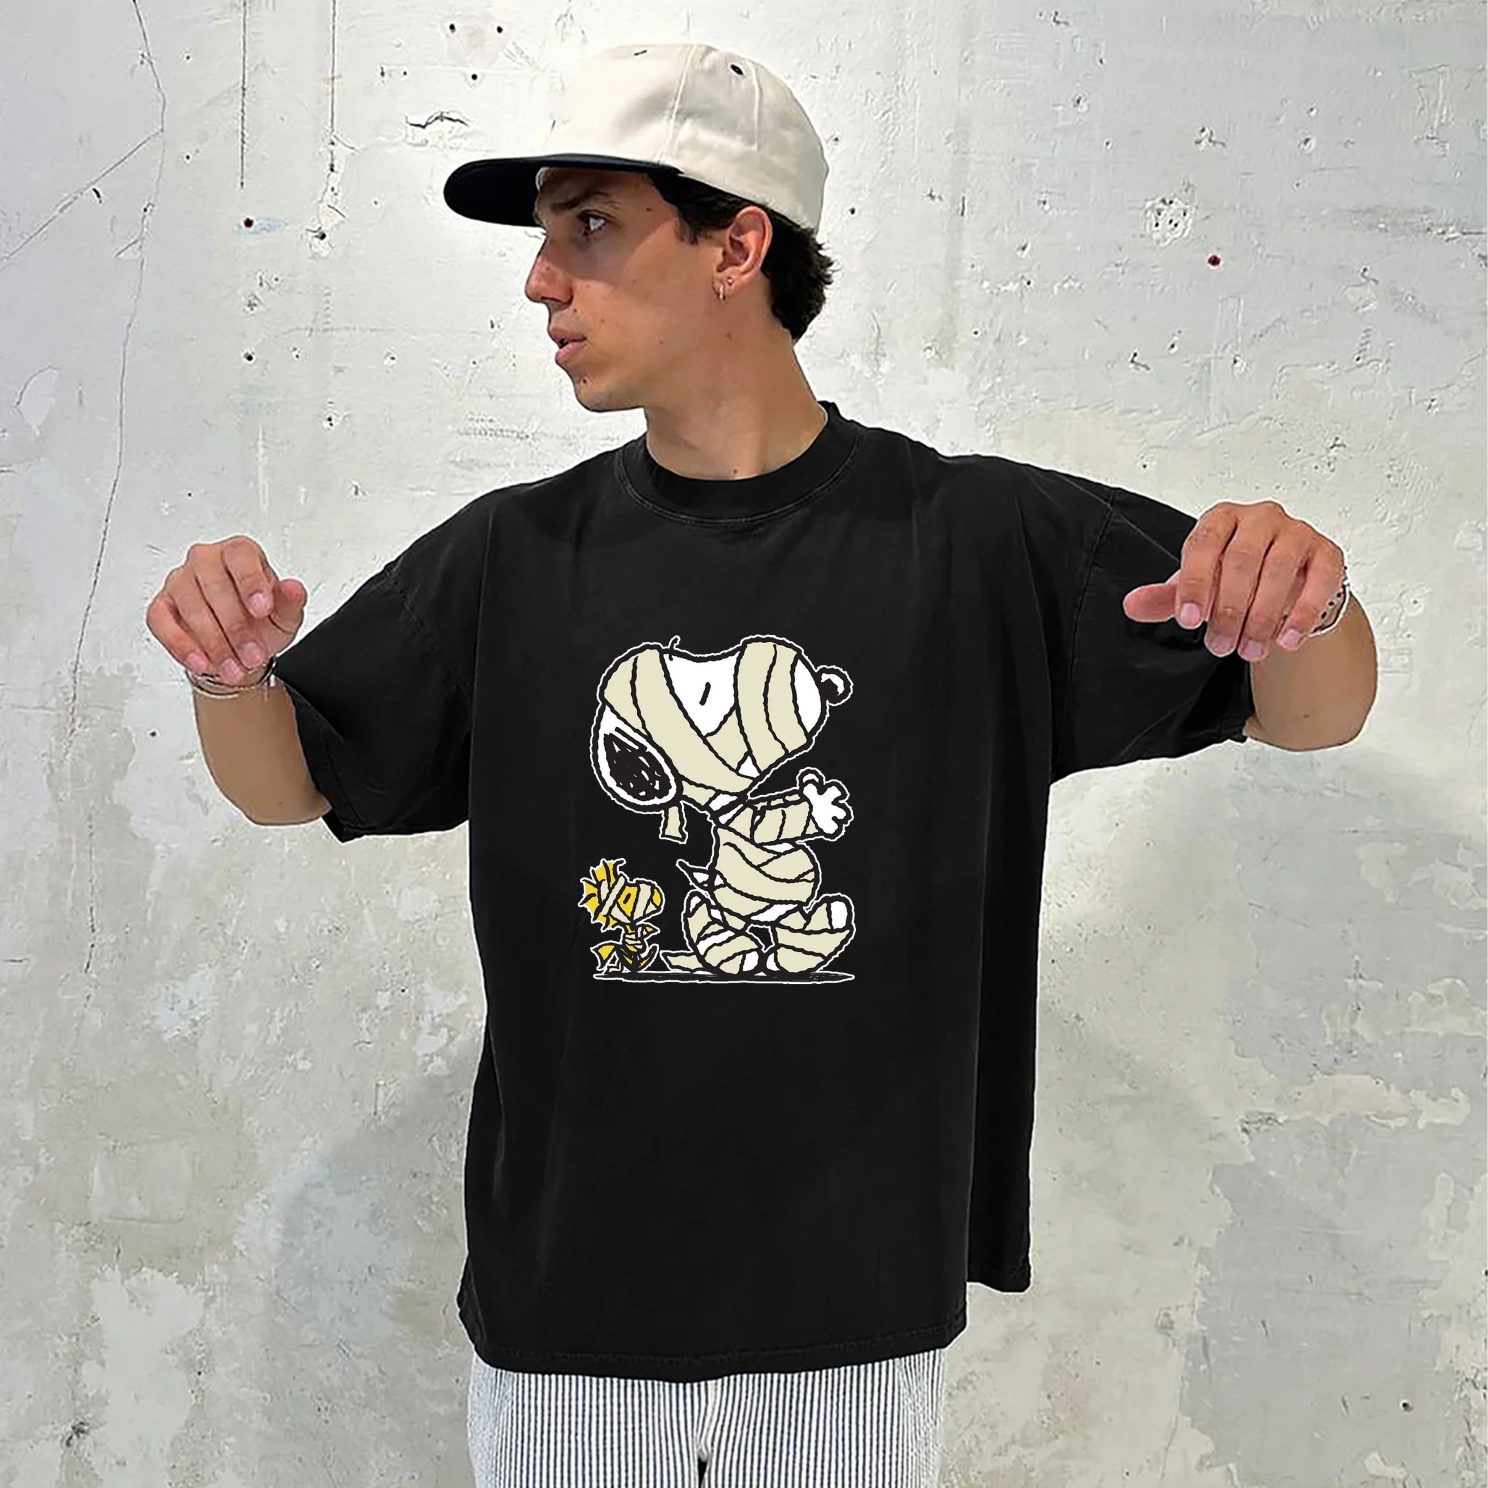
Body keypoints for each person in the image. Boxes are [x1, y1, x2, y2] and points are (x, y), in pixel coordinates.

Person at [146, 41, 1362, 1488]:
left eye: (591, 226)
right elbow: (296, 783)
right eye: (545, 234)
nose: (541, 280)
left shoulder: (975, 544)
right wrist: (230, 675)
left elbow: (1307, 711)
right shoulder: (514, 557)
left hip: (856, 1312)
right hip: (574, 1310)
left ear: (737, 247)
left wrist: (1304, 599)